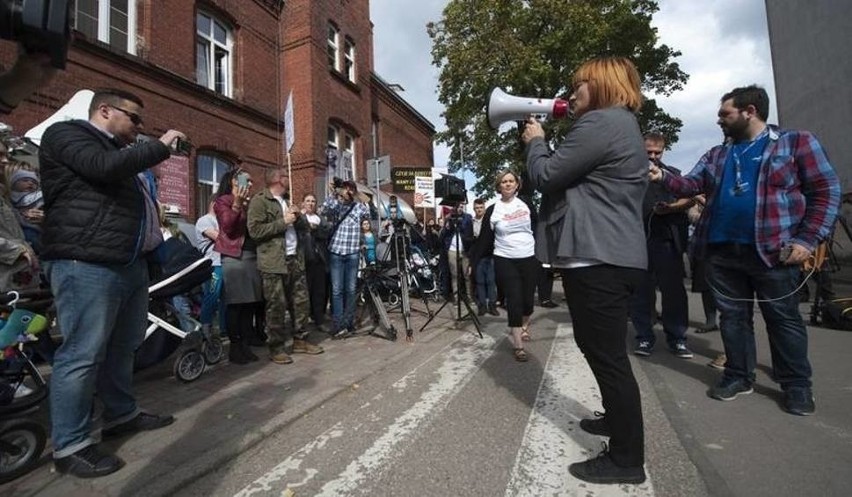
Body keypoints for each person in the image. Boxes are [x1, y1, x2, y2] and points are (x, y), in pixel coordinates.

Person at [649, 84, 840, 416]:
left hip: (774, 252)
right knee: (734, 320)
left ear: (750, 111)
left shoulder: (796, 143)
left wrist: (806, 239)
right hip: (723, 253)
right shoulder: (717, 154)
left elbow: (826, 191)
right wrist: (660, 175)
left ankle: (796, 385)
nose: (719, 120)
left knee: (783, 319)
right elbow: (690, 185)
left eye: (725, 113)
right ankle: (738, 375)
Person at [38, 88, 182, 478]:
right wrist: (160, 146)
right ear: (105, 111)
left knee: (123, 347)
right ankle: (71, 445)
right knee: (82, 353)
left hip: (128, 264)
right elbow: (100, 168)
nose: (140, 128)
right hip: (85, 262)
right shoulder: (67, 135)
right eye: (134, 119)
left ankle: (122, 414)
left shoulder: (124, 158)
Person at [524, 56, 648, 484]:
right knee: (598, 346)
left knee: (609, 357)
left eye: (580, 85)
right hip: (608, 256)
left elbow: (547, 174)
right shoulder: (621, 124)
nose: (572, 92)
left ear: (602, 85)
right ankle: (616, 421)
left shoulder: (600, 123)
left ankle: (627, 461)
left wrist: (536, 140)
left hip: (599, 257)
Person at [248, 168, 324, 364]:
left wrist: (299, 217)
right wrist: (283, 221)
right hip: (273, 263)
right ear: (277, 180)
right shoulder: (260, 201)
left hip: (295, 260)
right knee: (276, 306)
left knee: (301, 303)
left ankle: (300, 340)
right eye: (286, 177)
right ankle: (277, 347)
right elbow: (255, 231)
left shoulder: (288, 201)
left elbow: (305, 229)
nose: (289, 180)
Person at [631, 132, 694, 358]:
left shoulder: (673, 174)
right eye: (649, 152)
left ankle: (677, 338)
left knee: (674, 292)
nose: (653, 156)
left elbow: (690, 196)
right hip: (638, 242)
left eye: (657, 152)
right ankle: (644, 337)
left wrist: (671, 207)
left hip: (668, 241)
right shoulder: (630, 176)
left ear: (664, 151)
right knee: (641, 293)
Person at [470, 170, 537, 362]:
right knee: (514, 300)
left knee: (527, 302)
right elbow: (484, 239)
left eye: (511, 181)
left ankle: (524, 324)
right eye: (503, 182)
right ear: (499, 186)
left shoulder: (526, 204)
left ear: (517, 184)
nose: (507, 184)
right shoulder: (493, 209)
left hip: (529, 257)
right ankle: (518, 345)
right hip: (504, 258)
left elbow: (538, 227)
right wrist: (473, 262)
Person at [214, 168, 264, 365]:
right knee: (236, 304)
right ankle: (235, 347)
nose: (250, 184)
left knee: (249, 304)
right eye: (247, 180)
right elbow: (227, 226)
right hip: (234, 257)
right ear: (235, 181)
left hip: (251, 257)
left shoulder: (250, 203)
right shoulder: (223, 201)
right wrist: (236, 204)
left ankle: (245, 343)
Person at [321, 179, 370, 337]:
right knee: (336, 291)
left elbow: (369, 210)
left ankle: (348, 324)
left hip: (352, 253)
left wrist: (355, 193)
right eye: (345, 189)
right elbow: (325, 209)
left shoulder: (358, 207)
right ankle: (337, 324)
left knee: (350, 290)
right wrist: (335, 191)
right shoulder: (338, 205)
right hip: (336, 252)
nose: (347, 192)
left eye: (350, 190)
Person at [196, 199, 226, 338]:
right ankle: (205, 326)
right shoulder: (204, 220)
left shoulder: (222, 221)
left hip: (224, 263)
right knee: (212, 295)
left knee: (226, 298)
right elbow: (219, 237)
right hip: (213, 265)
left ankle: (224, 328)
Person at [300, 193, 330, 330]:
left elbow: (326, 232)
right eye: (308, 201)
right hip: (305, 260)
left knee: (319, 292)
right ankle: (303, 321)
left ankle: (319, 320)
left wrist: (315, 229)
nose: (310, 203)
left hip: (320, 259)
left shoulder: (320, 219)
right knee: (305, 292)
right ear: (303, 203)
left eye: (313, 201)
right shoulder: (300, 218)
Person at [470, 197, 499, 316]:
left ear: (484, 208)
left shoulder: (490, 220)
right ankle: (482, 305)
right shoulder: (471, 222)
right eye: (477, 208)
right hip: (477, 256)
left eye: (481, 207)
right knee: (480, 282)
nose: (479, 210)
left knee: (491, 281)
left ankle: (492, 305)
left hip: (490, 255)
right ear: (474, 209)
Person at [440, 201, 474, 302]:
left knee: (466, 274)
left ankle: (468, 296)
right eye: (458, 206)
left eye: (461, 206)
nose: (460, 208)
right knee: (454, 274)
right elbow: (443, 236)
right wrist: (447, 225)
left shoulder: (467, 217)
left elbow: (469, 233)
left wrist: (459, 223)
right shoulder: (449, 218)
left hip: (464, 250)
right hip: (452, 250)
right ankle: (456, 297)